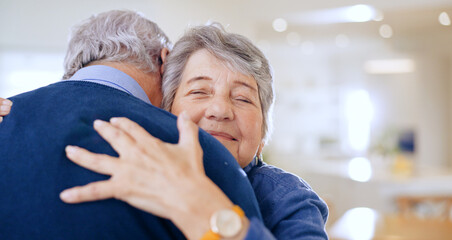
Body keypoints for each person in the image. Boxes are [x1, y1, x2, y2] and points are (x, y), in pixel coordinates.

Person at [0, 10, 262, 240]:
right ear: (165, 62)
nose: (218, 110)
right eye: (198, 91)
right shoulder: (198, 154)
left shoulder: (5, 119)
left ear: (72, 69)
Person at [51, 24, 329, 239]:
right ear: (164, 110)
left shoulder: (288, 198)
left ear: (264, 133)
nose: (220, 110)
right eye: (199, 91)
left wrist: (204, 209)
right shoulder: (131, 163)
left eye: (243, 98)